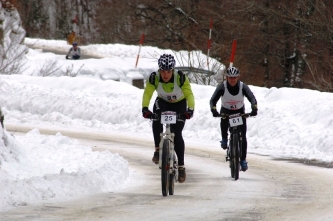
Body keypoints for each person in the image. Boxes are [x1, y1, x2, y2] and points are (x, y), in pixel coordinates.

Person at [141, 54, 195, 183]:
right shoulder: (154, 77)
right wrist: (145, 108)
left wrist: (190, 110)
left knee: (177, 133)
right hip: (163, 102)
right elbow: (148, 93)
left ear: (173, 70)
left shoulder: (180, 77)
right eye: (163, 71)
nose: (166, 75)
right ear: (159, 70)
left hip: (180, 104)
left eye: (168, 71)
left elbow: (189, 93)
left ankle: (181, 167)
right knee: (155, 118)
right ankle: (157, 150)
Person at [209, 66, 257, 172]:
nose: (232, 80)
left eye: (234, 78)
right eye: (230, 78)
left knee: (243, 136)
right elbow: (213, 100)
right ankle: (225, 139)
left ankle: (243, 159)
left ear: (238, 77)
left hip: (239, 111)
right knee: (224, 119)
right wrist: (214, 110)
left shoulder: (242, 86)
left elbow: (252, 98)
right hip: (226, 111)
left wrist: (254, 108)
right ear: (226, 77)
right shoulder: (222, 87)